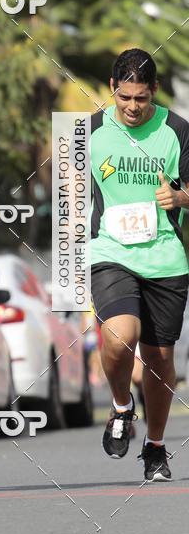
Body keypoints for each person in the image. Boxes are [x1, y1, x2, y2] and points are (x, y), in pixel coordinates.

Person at [90, 48, 189, 481]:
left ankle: (154, 447)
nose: (132, 107)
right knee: (118, 337)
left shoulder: (178, 130)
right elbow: (69, 202)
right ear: (113, 89)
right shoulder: (87, 131)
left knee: (159, 357)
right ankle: (121, 406)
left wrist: (182, 197)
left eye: (142, 99)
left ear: (154, 94)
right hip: (109, 252)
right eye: (125, 98)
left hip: (165, 256)